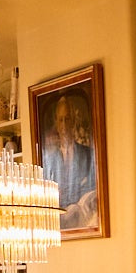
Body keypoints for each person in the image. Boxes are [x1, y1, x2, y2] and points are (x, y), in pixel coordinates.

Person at [41, 92, 97, 230]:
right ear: (56, 123)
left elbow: (92, 189)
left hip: (81, 220)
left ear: (74, 121)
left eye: (67, 119)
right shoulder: (49, 160)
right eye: (61, 120)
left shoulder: (88, 155)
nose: (64, 125)